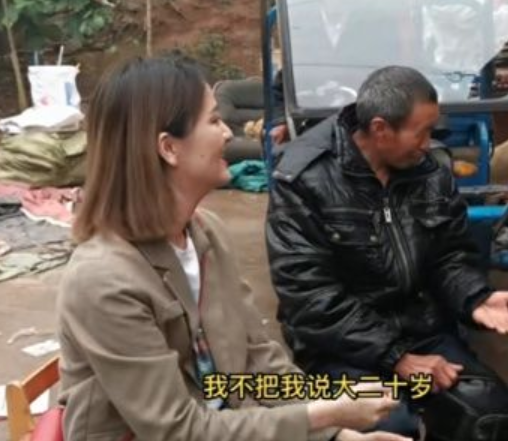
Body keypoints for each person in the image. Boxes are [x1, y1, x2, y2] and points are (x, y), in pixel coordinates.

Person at [57, 56, 412, 441]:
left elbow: (258, 359)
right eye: (213, 120)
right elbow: (179, 431)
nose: (228, 133)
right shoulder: (103, 280)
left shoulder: (205, 234)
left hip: (226, 423)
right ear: (169, 148)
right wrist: (323, 414)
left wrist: (337, 433)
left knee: (393, 421)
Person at [266, 65, 508, 439]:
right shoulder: (304, 177)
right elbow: (309, 296)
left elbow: (449, 254)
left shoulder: (429, 169)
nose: (428, 144)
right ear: (381, 129)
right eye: (421, 133)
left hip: (420, 325)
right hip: (341, 345)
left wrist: (474, 297)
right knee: (390, 426)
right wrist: (397, 357)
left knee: (488, 415)